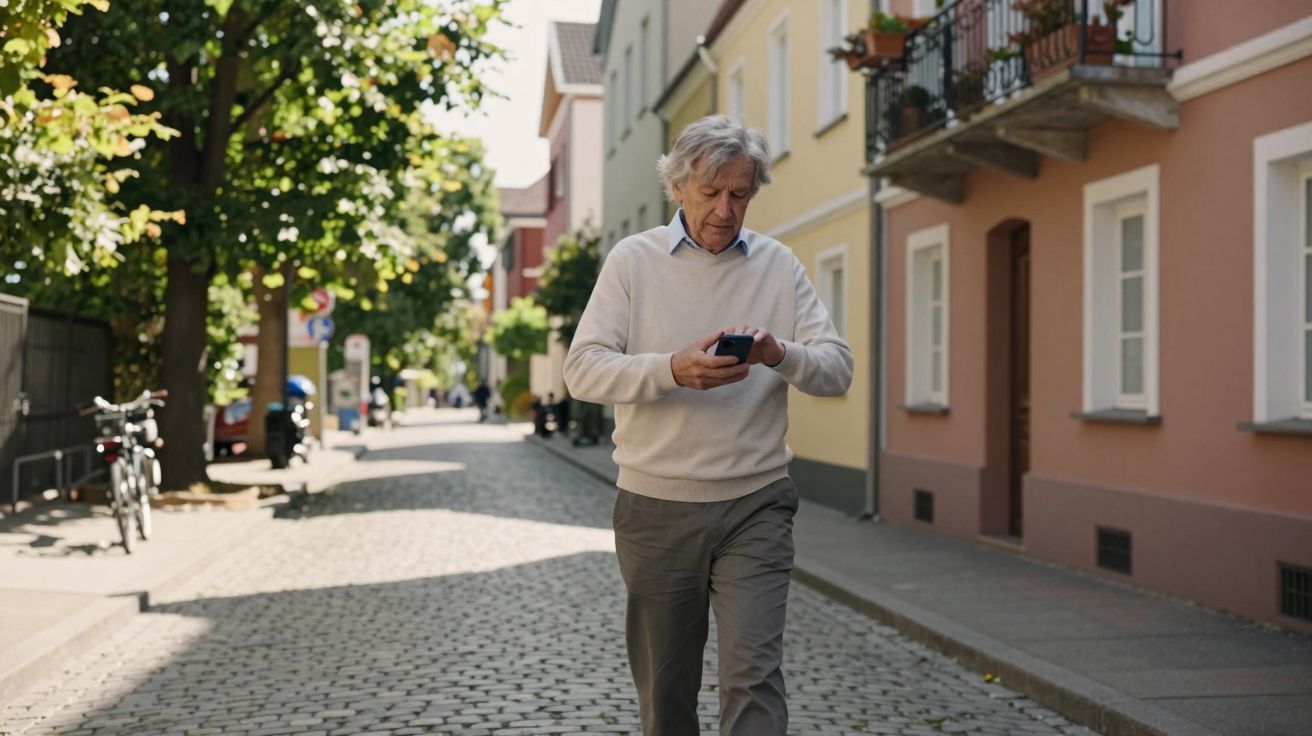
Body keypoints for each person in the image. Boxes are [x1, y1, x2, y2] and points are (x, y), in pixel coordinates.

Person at [564, 115, 852, 735]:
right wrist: (672, 370)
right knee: (667, 696)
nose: (726, 209)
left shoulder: (779, 265)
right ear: (678, 188)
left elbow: (838, 371)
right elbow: (582, 371)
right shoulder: (632, 261)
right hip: (656, 506)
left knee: (754, 676)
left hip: (757, 504)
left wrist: (781, 354)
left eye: (740, 194)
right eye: (711, 192)